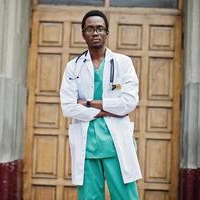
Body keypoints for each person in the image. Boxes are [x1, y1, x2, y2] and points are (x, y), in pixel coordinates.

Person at [60, 10, 142, 200]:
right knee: (89, 197)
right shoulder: (74, 66)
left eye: (99, 28)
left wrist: (90, 104)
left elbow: (129, 102)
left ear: (107, 32)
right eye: (90, 29)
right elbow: (68, 106)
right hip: (87, 146)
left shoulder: (123, 63)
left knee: (125, 197)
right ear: (83, 34)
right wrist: (108, 111)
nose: (95, 33)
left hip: (116, 143)